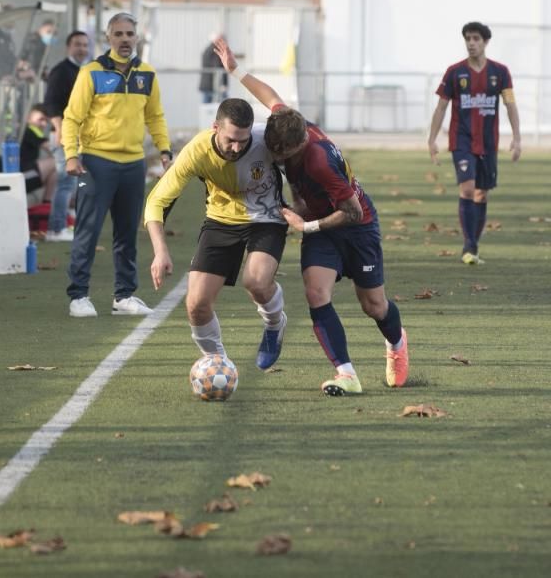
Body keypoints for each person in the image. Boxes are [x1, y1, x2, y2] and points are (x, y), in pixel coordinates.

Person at [214, 38, 409, 395]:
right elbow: (268, 94)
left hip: (355, 226)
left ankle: (396, 344)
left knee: (374, 305)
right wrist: (235, 70)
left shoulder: (318, 160)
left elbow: (351, 211)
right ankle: (347, 374)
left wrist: (307, 226)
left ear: (299, 145)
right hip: (320, 227)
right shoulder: (287, 123)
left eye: (282, 154)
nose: (276, 157)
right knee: (316, 292)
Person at [145, 98, 288, 372]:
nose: (237, 147)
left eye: (243, 141)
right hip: (221, 220)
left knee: (256, 282)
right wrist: (160, 251)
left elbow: (304, 142)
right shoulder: (196, 151)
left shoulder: (265, 138)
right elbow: (156, 202)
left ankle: (274, 323)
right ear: (215, 128)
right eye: (231, 140)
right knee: (197, 305)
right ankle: (217, 363)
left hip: (267, 218)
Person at [62, 12, 173, 318]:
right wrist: (71, 154)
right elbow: (72, 118)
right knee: (88, 230)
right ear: (108, 38)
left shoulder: (147, 74)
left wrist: (164, 149)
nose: (125, 39)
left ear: (136, 38)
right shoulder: (91, 73)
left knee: (127, 233)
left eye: (129, 34)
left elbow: (155, 117)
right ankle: (79, 297)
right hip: (95, 164)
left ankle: (124, 296)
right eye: (119, 34)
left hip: (133, 165)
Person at [427, 21, 522, 265]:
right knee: (467, 189)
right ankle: (468, 247)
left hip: (489, 142)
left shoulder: (500, 72)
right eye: (468, 38)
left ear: (485, 42)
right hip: (462, 140)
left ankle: (473, 246)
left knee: (481, 194)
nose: (471, 43)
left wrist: (517, 137)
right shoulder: (454, 72)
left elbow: (510, 104)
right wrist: (432, 138)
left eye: (476, 39)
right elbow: (441, 107)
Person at [43, 30, 90, 242]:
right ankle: (56, 228)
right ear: (68, 47)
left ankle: (67, 220)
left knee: (76, 182)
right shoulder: (61, 71)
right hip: (64, 134)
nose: (82, 49)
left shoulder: (85, 71)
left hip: (81, 136)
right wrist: (60, 129)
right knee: (65, 181)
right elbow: (51, 104)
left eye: (85, 45)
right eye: (78, 44)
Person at [18, 104, 58, 203]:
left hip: (24, 174)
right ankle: (47, 204)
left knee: (55, 171)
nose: (44, 124)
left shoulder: (24, 130)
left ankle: (47, 205)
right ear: (29, 118)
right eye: (41, 119)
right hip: (21, 176)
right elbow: (52, 148)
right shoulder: (30, 130)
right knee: (56, 162)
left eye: (46, 121)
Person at [199, 33, 228, 104]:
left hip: (209, 83)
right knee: (224, 105)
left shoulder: (207, 49)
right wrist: (223, 83)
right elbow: (217, 67)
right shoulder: (214, 50)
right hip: (213, 84)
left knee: (207, 106)